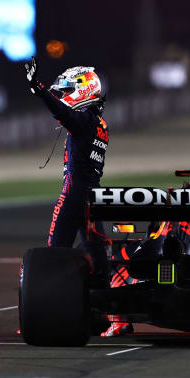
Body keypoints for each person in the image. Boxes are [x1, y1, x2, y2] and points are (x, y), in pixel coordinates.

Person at [24, 57, 131, 336]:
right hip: (93, 201)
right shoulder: (100, 125)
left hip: (73, 197)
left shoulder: (83, 122)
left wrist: (39, 89)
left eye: (68, 90)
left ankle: (46, 318)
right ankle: (111, 319)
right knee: (99, 262)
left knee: (52, 259)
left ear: (84, 90)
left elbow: (62, 113)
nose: (64, 95)